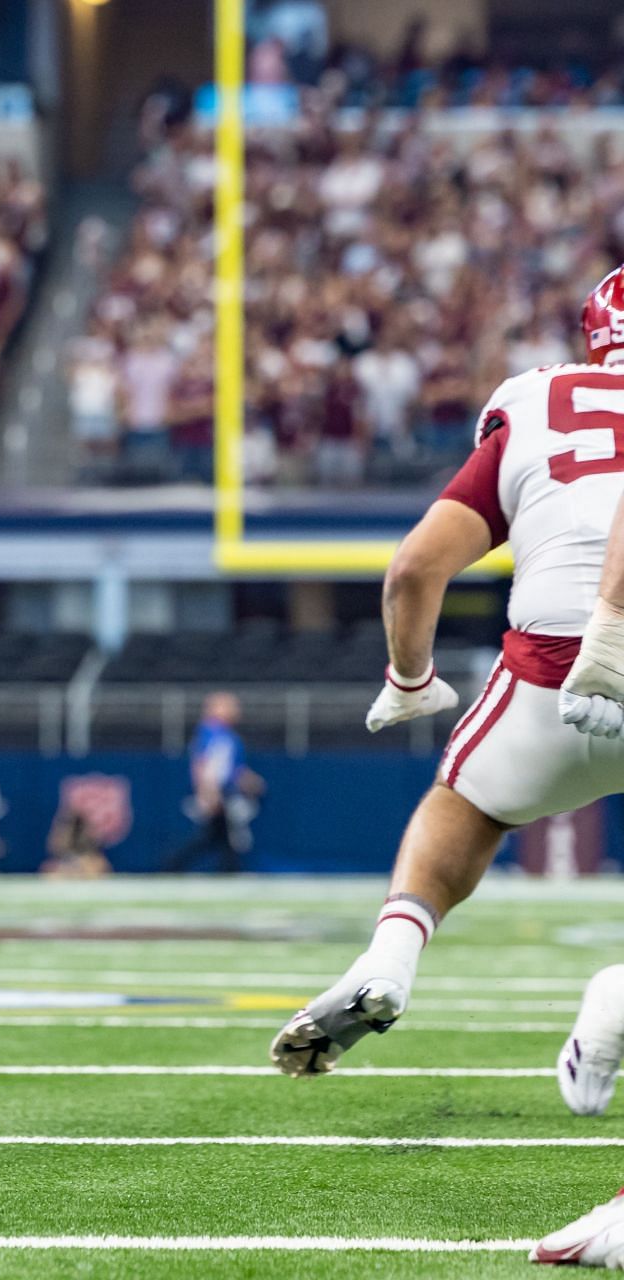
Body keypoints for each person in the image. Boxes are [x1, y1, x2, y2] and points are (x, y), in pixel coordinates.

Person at [271, 265, 624, 1080]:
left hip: (550, 679)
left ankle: (391, 955)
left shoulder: (537, 403)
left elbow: (413, 571)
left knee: (463, 807)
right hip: (598, 646)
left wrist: (409, 677)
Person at [162, 692, 264, 873]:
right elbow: (208, 767)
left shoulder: (215, 734)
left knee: (219, 838)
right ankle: (171, 866)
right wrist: (210, 794)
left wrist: (250, 780)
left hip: (220, 793)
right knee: (214, 838)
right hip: (218, 794)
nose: (236, 710)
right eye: (230, 705)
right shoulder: (217, 734)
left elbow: (231, 769)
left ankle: (229, 870)